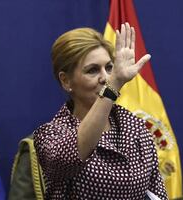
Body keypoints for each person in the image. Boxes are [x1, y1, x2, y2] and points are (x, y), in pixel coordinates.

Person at [33, 23, 168, 199]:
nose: (105, 77)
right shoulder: (51, 135)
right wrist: (113, 86)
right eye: (93, 70)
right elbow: (72, 154)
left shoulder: (134, 126)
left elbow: (157, 193)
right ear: (66, 81)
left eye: (109, 68)